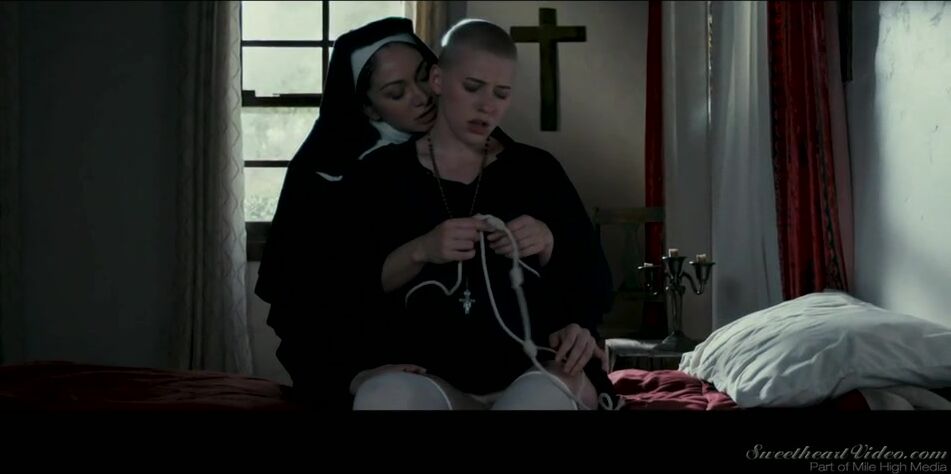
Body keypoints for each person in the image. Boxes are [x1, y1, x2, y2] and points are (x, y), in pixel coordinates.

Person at [345, 19, 617, 410]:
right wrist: (422, 249)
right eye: (472, 87)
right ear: (437, 80)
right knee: (380, 397)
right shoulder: (380, 175)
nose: (487, 106)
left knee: (538, 398)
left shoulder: (538, 171)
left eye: (501, 94)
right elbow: (348, 288)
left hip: (534, 369)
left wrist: (550, 243)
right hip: (431, 377)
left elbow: (594, 285)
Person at [255, 17, 446, 410]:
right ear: (369, 108)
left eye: (424, 76)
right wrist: (350, 374)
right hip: (357, 358)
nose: (421, 96)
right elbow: (301, 299)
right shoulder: (322, 176)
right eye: (397, 92)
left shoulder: (471, 148)